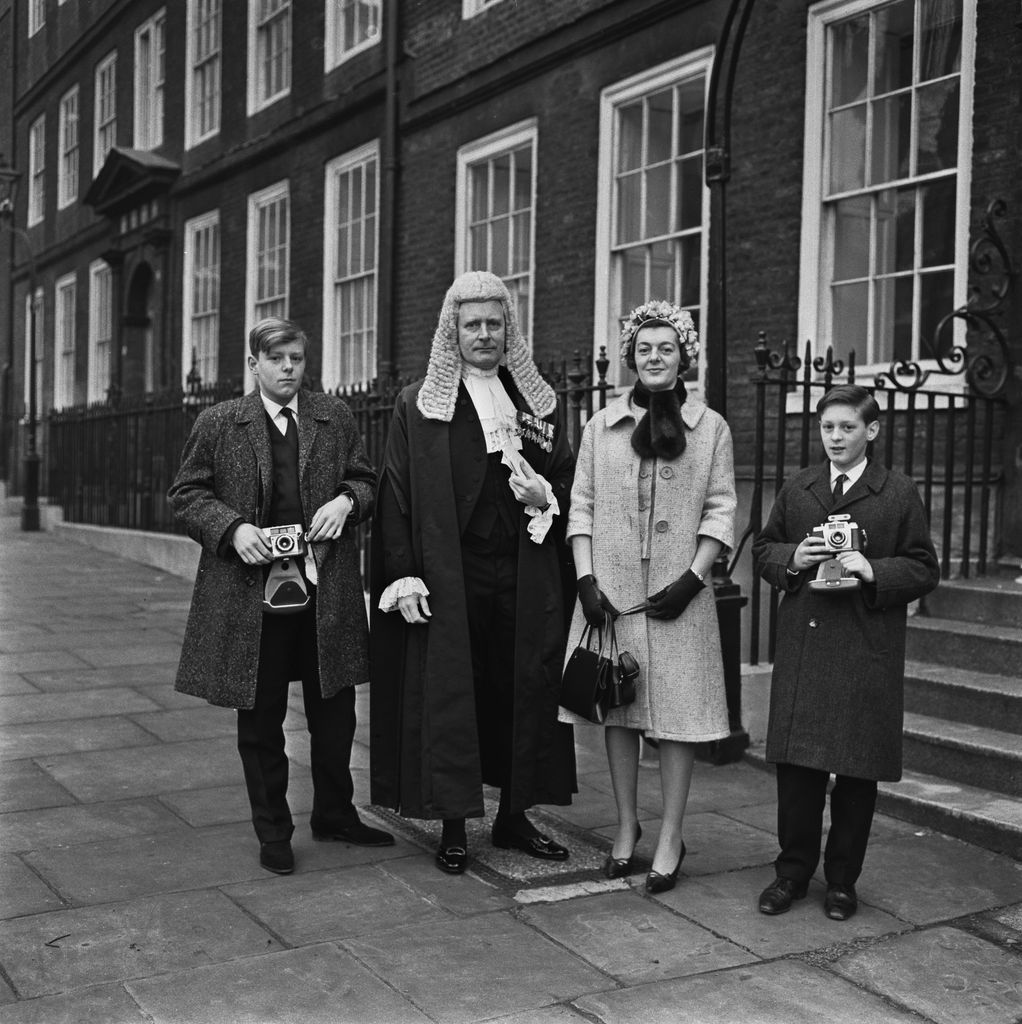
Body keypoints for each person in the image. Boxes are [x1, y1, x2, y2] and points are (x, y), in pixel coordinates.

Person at [168, 316, 393, 876]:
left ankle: (335, 815)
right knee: (262, 719)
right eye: (276, 359)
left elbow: (367, 480)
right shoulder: (221, 423)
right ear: (254, 365)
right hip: (251, 600)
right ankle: (273, 831)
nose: (288, 368)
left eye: (296, 358)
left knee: (335, 714)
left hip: (324, 593)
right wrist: (232, 528)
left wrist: (346, 500)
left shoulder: (333, 416)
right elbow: (186, 493)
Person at [370, 270, 577, 875]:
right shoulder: (418, 404)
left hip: (524, 562)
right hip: (450, 570)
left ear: (508, 327)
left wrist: (546, 495)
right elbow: (396, 497)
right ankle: (456, 824)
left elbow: (568, 478)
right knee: (454, 689)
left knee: (524, 686)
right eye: (472, 324)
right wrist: (402, 574)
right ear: (452, 331)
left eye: (494, 323)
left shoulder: (538, 400)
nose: (484, 334)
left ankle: (514, 816)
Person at [560, 299, 736, 895]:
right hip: (614, 592)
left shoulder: (709, 428)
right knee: (619, 707)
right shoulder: (599, 427)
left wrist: (695, 576)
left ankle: (671, 835)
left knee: (680, 717)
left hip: (677, 593)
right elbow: (580, 503)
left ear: (683, 354)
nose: (654, 357)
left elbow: (720, 506)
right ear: (630, 358)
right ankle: (627, 826)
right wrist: (586, 580)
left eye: (666, 348)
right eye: (644, 349)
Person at [752, 384, 939, 920]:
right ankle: (790, 874)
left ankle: (841, 883)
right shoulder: (801, 486)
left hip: (864, 647)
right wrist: (796, 555)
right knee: (798, 773)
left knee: (857, 775)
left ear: (871, 431)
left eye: (847, 428)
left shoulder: (897, 492)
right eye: (827, 428)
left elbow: (925, 567)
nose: (835, 437)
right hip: (807, 646)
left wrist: (872, 568)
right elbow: (764, 549)